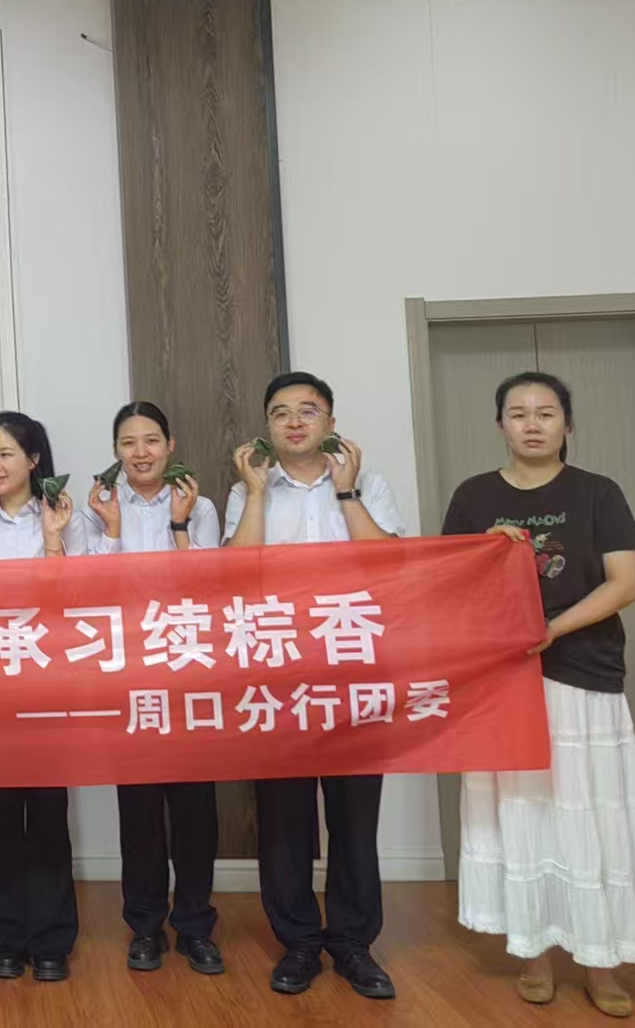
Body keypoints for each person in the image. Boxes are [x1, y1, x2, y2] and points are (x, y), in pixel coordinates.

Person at [447, 371, 635, 1017]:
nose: (532, 424)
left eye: (546, 412)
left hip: (584, 673)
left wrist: (552, 628)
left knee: (593, 818)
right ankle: (532, 952)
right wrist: (482, 553)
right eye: (518, 412)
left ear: (567, 423)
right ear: (499, 424)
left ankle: (601, 960)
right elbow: (446, 587)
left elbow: (628, 580)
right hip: (503, 683)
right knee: (524, 816)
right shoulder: (474, 497)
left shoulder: (598, 492)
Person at [224, 371, 405, 1000]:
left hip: (352, 670)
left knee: (354, 817)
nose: (295, 422)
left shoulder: (367, 483)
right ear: (267, 427)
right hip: (276, 673)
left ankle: (354, 943)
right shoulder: (247, 489)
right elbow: (234, 577)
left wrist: (347, 491)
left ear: (330, 421)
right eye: (281, 412)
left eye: (308, 410)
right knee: (284, 818)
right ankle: (298, 941)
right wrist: (254, 495)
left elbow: (389, 565)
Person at [82, 401, 224, 977]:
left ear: (170, 445)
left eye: (150, 441)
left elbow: (208, 588)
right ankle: (144, 926)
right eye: (128, 443)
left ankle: (195, 926)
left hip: (187, 671)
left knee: (194, 811)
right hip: (128, 675)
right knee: (138, 810)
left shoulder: (199, 504)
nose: (140, 453)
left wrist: (180, 526)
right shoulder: (98, 508)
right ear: (116, 451)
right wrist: (112, 530)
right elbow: (91, 591)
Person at [0, 410, 85, 983]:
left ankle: (51, 940)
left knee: (48, 814)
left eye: (5, 453)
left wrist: (53, 541)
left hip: (50, 682)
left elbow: (77, 602)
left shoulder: (65, 515)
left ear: (33, 459)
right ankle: (7, 937)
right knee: (1, 816)